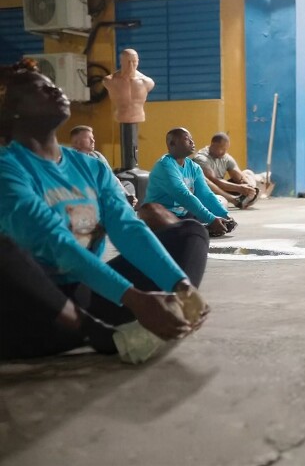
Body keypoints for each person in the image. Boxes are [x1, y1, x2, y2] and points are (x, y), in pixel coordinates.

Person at [0, 60, 209, 360]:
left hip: (85, 295)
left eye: (53, 84)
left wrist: (181, 287)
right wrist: (134, 300)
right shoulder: (8, 167)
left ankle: (162, 319)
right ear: (14, 111)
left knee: (190, 233)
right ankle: (102, 335)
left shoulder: (90, 166)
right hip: (30, 312)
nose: (56, 90)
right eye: (41, 89)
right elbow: (54, 242)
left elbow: (128, 228)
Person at [145, 127, 234, 238]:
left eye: (191, 139)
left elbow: (205, 194)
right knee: (153, 213)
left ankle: (196, 228)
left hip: (184, 215)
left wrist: (225, 216)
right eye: (187, 139)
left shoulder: (194, 167)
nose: (192, 142)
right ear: (172, 144)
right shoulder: (165, 166)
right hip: (163, 215)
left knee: (221, 201)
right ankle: (196, 229)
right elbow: (183, 195)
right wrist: (211, 219)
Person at [69, 125, 138, 207]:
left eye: (93, 137)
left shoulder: (97, 155)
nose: (93, 140)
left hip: (103, 194)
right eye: (88, 138)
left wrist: (126, 195)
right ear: (77, 142)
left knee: (128, 186)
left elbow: (111, 178)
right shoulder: (68, 160)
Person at [193, 132, 259, 209]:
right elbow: (214, 181)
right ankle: (235, 200)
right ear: (213, 145)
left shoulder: (226, 157)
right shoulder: (201, 158)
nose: (224, 152)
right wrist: (239, 188)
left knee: (247, 173)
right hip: (208, 191)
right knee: (206, 181)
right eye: (222, 149)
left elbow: (238, 176)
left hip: (223, 189)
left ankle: (249, 195)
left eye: (226, 149)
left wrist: (247, 185)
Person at [102, 49, 154, 124]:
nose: (131, 65)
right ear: (121, 61)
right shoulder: (110, 81)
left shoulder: (147, 82)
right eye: (128, 62)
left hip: (139, 116)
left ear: (138, 62)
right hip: (120, 116)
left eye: (134, 62)